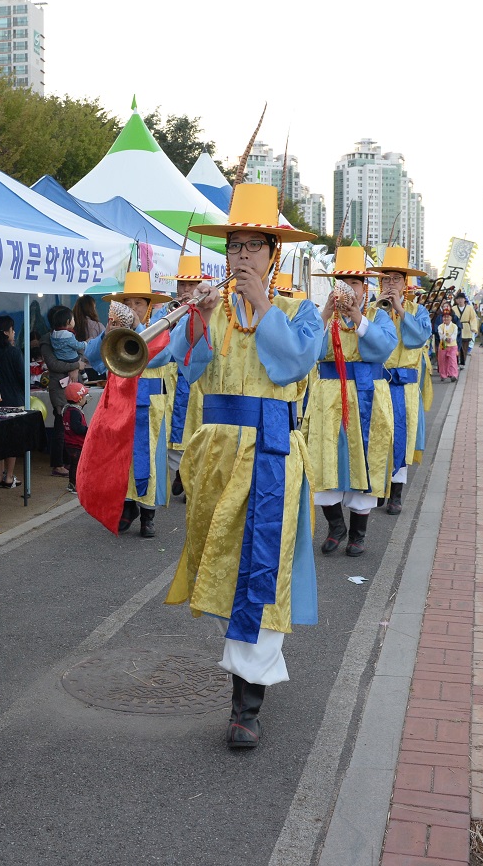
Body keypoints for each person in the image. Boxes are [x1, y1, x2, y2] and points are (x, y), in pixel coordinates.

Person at [167, 182, 322, 749]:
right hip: (217, 455)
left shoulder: (300, 311)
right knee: (227, 565)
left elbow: (296, 363)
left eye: (254, 245)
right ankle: (242, 689)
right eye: (235, 245)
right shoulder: (214, 309)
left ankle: (246, 706)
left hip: (272, 456)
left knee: (262, 568)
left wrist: (262, 305)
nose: (242, 256)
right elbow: (189, 367)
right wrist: (195, 322)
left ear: (274, 253)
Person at [303, 243, 394, 556]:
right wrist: (325, 313)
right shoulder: (322, 316)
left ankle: (358, 533)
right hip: (328, 396)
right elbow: (307, 352)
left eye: (354, 282)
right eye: (341, 281)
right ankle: (335, 525)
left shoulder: (377, 317)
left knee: (363, 460)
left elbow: (383, 349)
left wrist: (358, 317)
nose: (347, 288)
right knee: (326, 459)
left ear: (365, 287)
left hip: (366, 396)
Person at [83, 271, 174, 538]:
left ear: (148, 307)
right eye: (129, 303)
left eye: (138, 303)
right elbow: (92, 358)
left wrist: (136, 329)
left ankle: (148, 513)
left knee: (148, 458)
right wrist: (106, 335)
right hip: (119, 402)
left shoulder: (160, 326)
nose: (133, 308)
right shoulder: (113, 331)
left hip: (150, 405)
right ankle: (125, 506)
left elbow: (161, 357)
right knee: (118, 456)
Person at [375, 246, 432, 514]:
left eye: (396, 279)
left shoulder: (418, 311)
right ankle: (377, 487)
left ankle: (396, 492)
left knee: (402, 437)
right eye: (386, 279)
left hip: (405, 387)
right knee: (378, 437)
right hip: (378, 384)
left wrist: (399, 308)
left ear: (405, 282)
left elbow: (417, 338)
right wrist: (382, 311)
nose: (390, 284)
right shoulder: (372, 310)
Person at [160, 254, 208, 500]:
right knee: (170, 433)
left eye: (191, 285)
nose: (186, 289)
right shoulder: (164, 313)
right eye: (182, 285)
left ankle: (189, 474)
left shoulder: (208, 311)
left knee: (195, 431)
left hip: (195, 379)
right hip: (170, 378)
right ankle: (180, 471)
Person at [41, 306, 83, 477]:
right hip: (59, 386)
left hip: (72, 385)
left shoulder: (68, 335)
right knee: (61, 423)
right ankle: (57, 464)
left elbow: (78, 352)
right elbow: (53, 365)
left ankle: (69, 461)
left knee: (71, 421)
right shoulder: (48, 339)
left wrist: (76, 366)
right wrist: (75, 366)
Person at [0, 316, 27, 488]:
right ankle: (9, 477)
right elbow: (22, 377)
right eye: (12, 329)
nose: (14, 332)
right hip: (14, 401)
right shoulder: (14, 352)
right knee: (12, 440)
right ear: (5, 332)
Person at [61, 381, 90, 495]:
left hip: (70, 443)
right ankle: (74, 485)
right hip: (76, 444)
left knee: (74, 464)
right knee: (77, 466)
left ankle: (73, 483)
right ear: (78, 399)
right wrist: (88, 430)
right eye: (84, 397)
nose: (85, 399)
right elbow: (77, 428)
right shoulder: (74, 412)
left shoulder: (68, 409)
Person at [436, 306, 460, 382]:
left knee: (452, 360)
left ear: (451, 318)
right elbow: (440, 334)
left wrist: (451, 339)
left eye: (447, 317)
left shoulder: (454, 326)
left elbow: (454, 334)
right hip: (443, 344)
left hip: (452, 345)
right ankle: (443, 374)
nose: (446, 319)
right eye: (444, 317)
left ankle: (453, 374)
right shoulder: (440, 326)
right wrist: (445, 338)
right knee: (442, 360)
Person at [454, 292, 478, 366]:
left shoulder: (469, 308)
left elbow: (473, 318)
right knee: (456, 346)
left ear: (465, 299)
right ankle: (456, 362)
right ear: (456, 300)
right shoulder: (453, 308)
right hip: (456, 329)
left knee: (464, 347)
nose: (460, 300)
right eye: (458, 299)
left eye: (462, 298)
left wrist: (473, 328)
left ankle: (463, 362)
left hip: (466, 328)